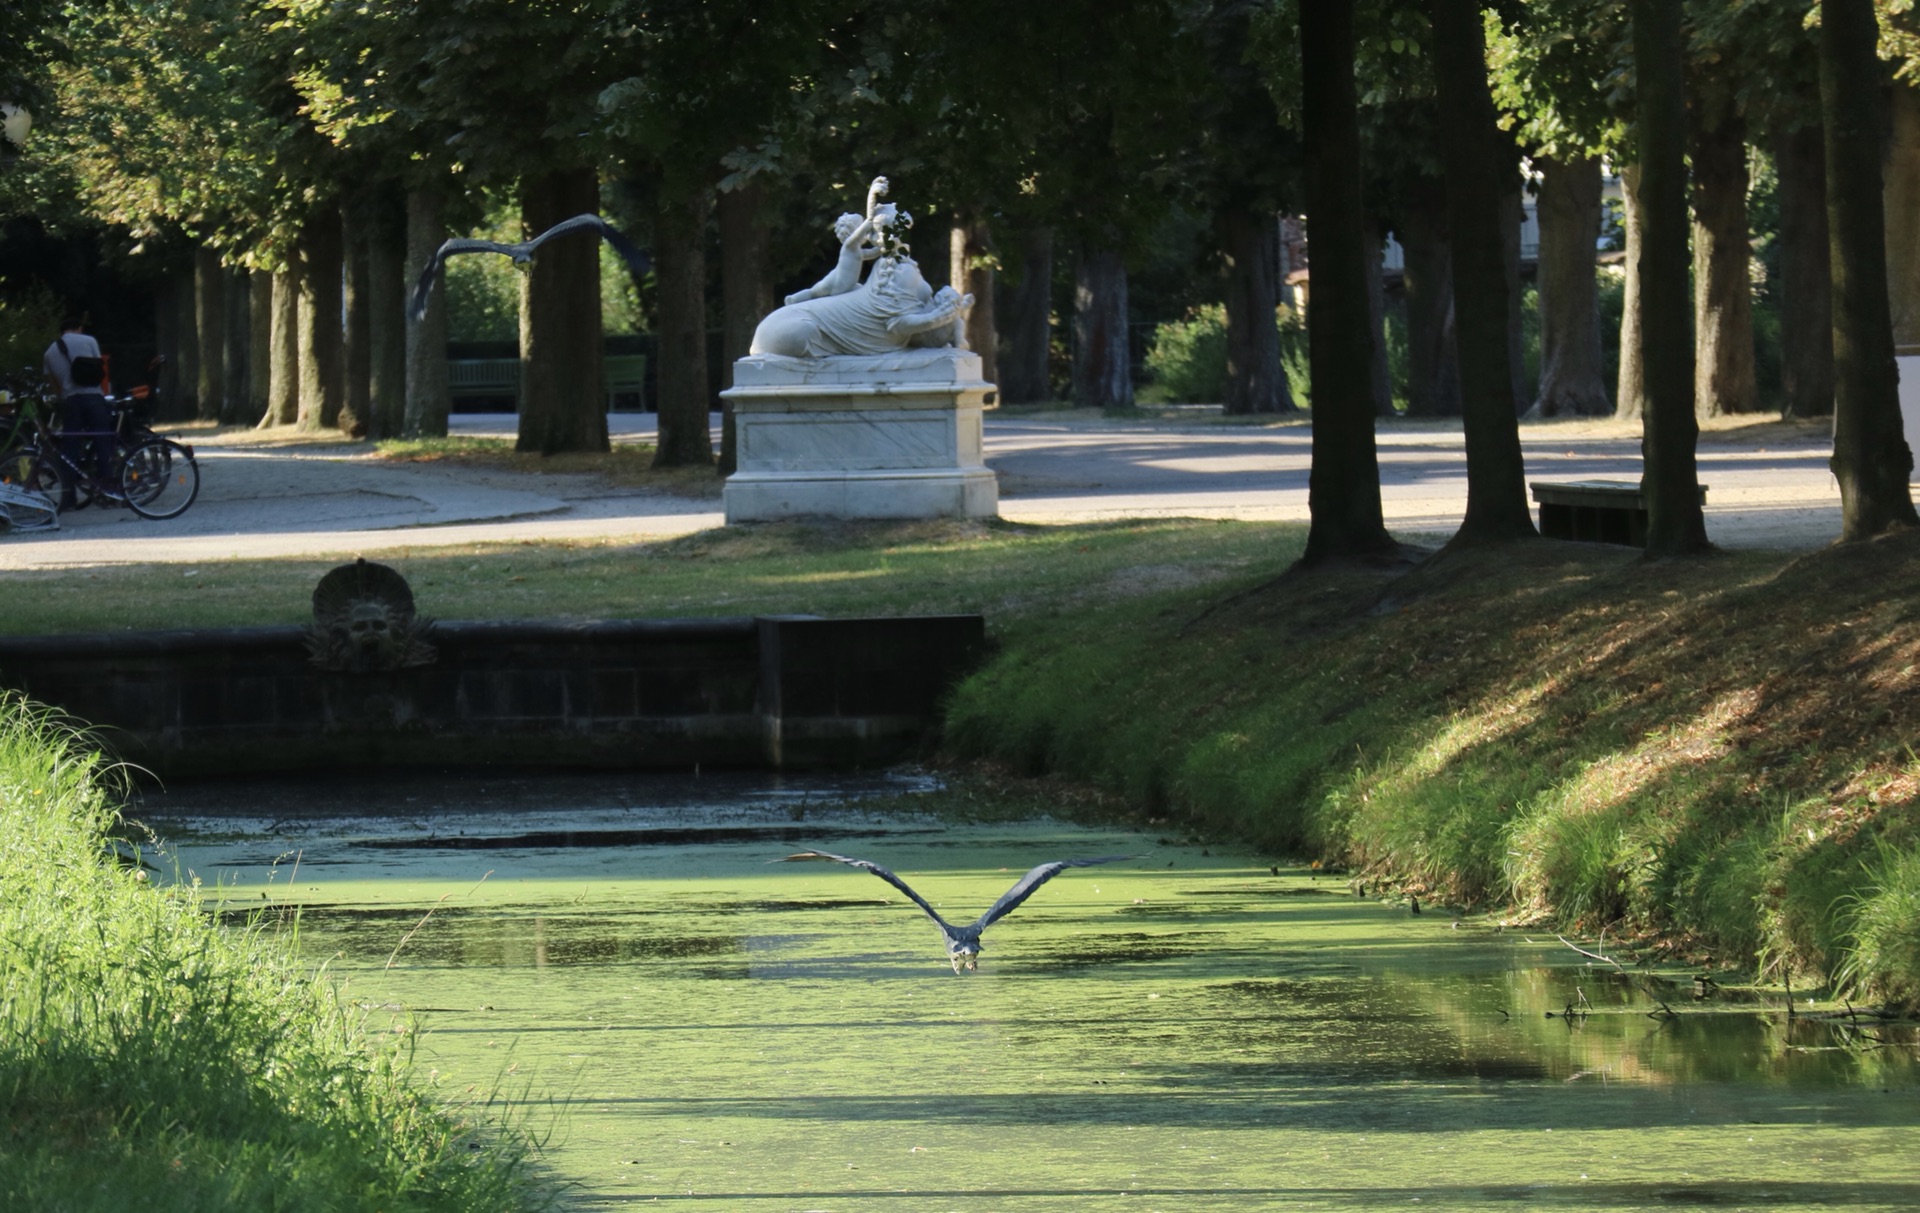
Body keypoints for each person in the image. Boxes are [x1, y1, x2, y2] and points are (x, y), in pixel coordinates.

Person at [42, 315, 116, 508]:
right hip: (94, 397)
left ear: (62, 331)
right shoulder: (89, 341)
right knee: (103, 444)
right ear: (79, 328)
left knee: (69, 451)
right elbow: (98, 368)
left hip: (71, 401)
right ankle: (108, 492)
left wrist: (63, 395)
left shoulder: (50, 352)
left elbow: (53, 383)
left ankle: (69, 498)